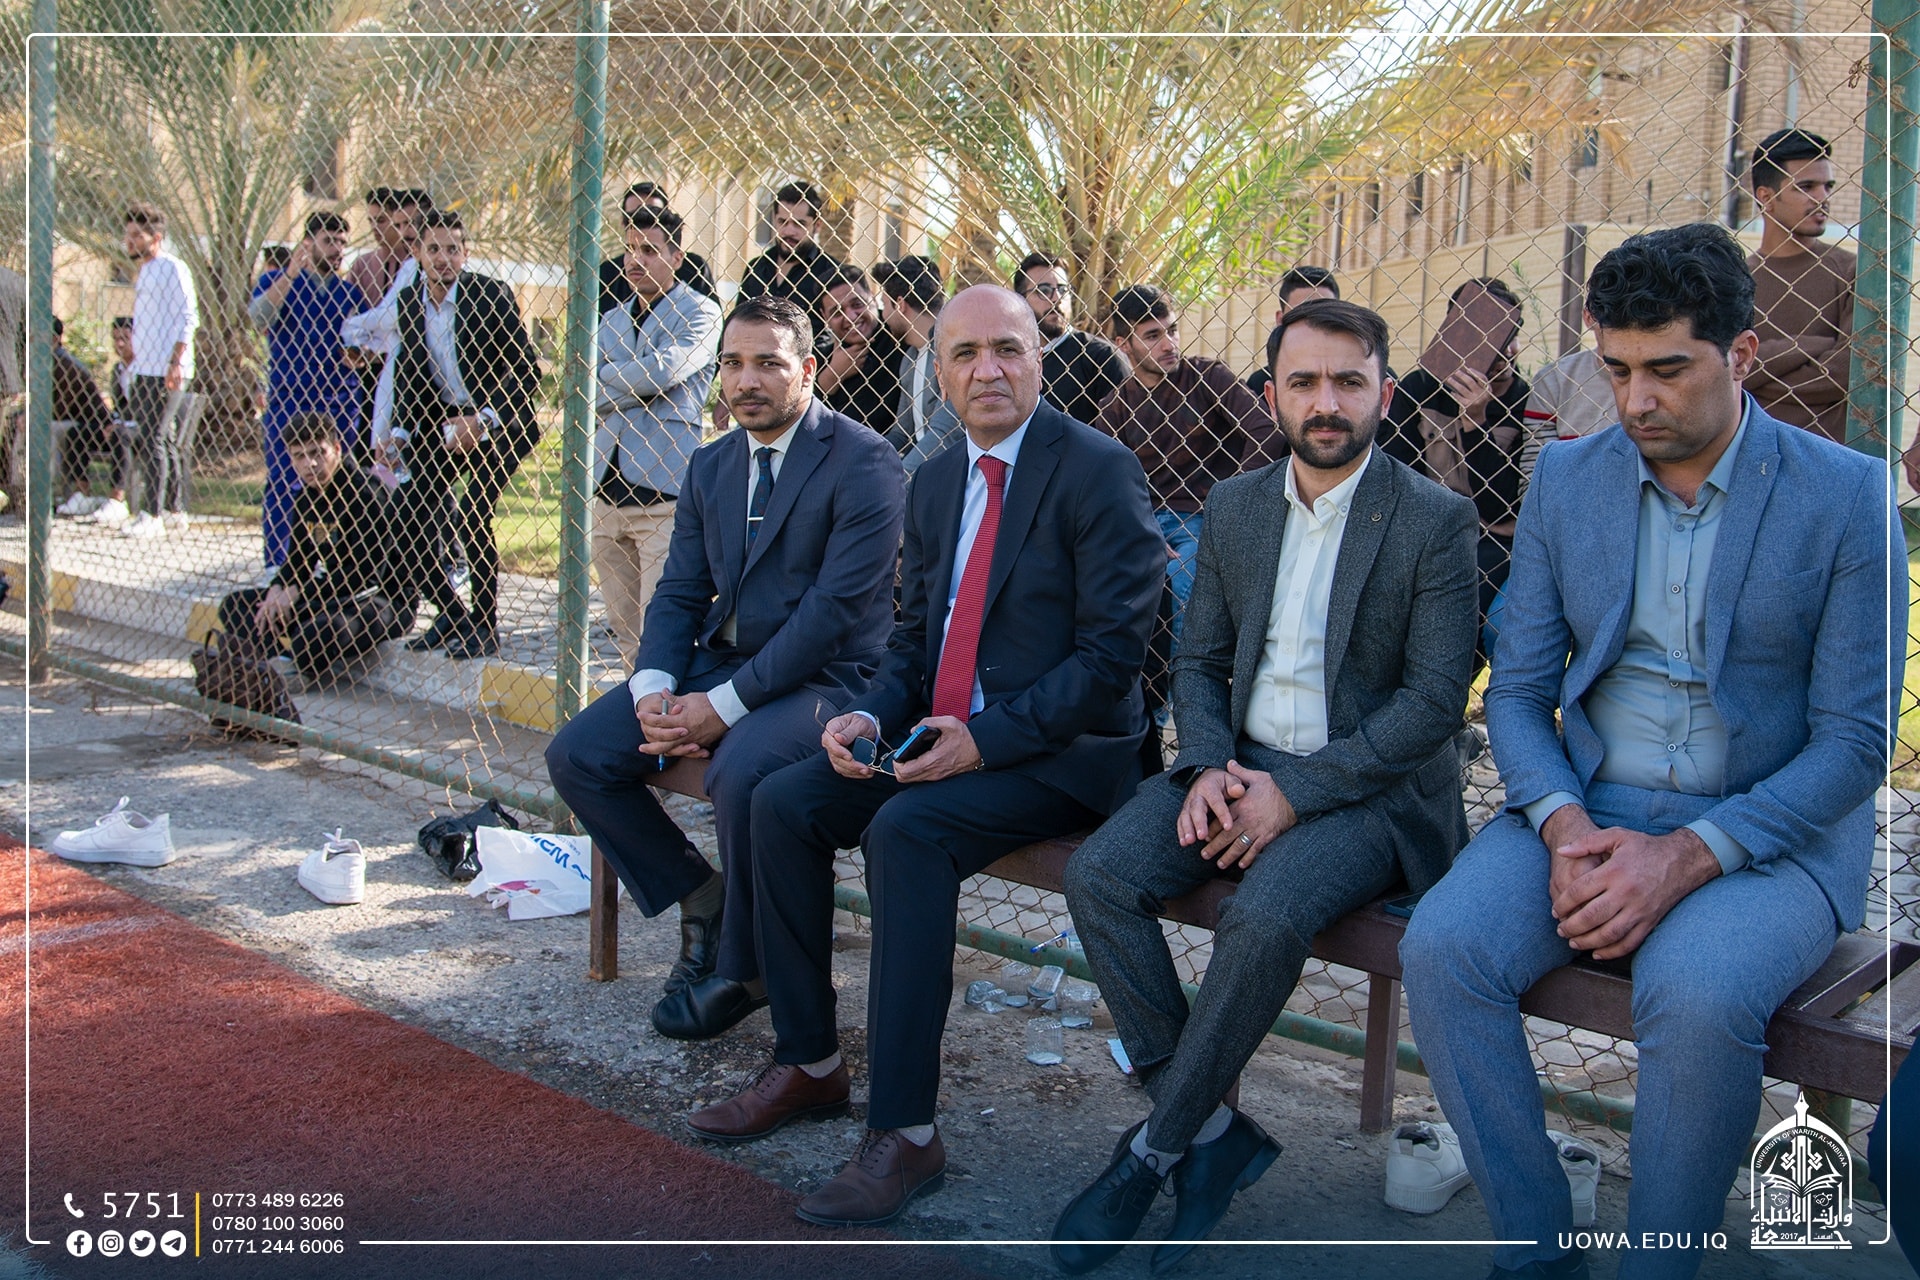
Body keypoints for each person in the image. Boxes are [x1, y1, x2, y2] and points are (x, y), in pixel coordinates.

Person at [1399, 223, 1902, 1280]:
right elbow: (1519, 692)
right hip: (1586, 807)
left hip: (1767, 837)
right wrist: (1563, 824)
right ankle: (1536, 1244)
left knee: (1699, 993)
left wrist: (1686, 856)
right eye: (1616, 368)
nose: (1635, 401)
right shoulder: (1567, 478)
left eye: (1667, 369)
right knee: (1444, 947)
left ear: (1743, 354)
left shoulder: (1847, 494)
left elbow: (1856, 742)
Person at [685, 285, 1164, 1230]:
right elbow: (912, 642)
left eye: (1008, 349)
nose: (988, 370)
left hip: (1064, 755)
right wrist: (866, 715)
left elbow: (1113, 663)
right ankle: (811, 1062)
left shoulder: (1098, 470)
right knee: (783, 803)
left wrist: (983, 740)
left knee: (905, 832)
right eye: (965, 355)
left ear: (1039, 358)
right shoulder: (939, 479)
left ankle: (905, 1133)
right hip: (943, 737)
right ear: (938, 373)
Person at [1049, 298, 1478, 1274]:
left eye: (1348, 381)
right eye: (1304, 382)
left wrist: (1296, 795)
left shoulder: (1433, 518)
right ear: (1273, 392)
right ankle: (1212, 1135)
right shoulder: (1237, 505)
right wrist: (1205, 765)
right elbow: (1199, 663)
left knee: (1265, 913)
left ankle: (1155, 1150)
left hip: (1370, 791)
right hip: (1238, 764)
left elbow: (1432, 704)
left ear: (1383, 391)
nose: (1326, 403)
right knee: (1102, 874)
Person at [547, 296, 905, 1043]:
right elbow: (680, 590)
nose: (747, 381)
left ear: (807, 370)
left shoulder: (865, 459)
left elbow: (833, 612)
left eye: (769, 363)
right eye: (733, 364)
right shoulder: (711, 463)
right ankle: (701, 896)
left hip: (831, 676)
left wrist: (723, 707)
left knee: (742, 770)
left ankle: (748, 968)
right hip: (722, 664)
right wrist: (653, 689)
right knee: (578, 754)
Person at [390, 210, 541, 660]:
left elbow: (526, 370)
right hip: (444, 423)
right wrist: (399, 430)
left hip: (499, 422)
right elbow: (409, 370)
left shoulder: (489, 295)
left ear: (466, 253)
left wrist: (485, 419)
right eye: (433, 249)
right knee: (410, 514)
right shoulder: (409, 300)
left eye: (452, 249)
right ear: (418, 253)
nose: (443, 258)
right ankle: (455, 615)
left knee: (472, 513)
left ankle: (486, 625)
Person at [1095, 284, 1280, 641]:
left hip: (1201, 513)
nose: (1169, 344)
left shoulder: (1206, 377)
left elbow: (1264, 429)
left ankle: (1186, 675)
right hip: (1146, 516)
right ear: (1123, 344)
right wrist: (1140, 526)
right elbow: (1106, 480)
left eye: (1173, 330)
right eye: (1153, 336)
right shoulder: (1115, 406)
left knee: (1187, 574)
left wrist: (1232, 497)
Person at [591, 207, 723, 666]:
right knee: (625, 632)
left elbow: (666, 371)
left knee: (661, 630)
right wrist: (636, 382)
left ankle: (669, 708)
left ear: (676, 256)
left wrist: (606, 377)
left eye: (649, 249)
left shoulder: (702, 312)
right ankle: (636, 710)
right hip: (605, 493)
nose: (636, 259)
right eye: (630, 249)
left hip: (663, 496)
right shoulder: (610, 318)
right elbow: (584, 385)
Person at [1382, 277, 1531, 670]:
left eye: (1512, 336)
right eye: (1493, 338)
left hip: (1492, 538)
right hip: (1428, 527)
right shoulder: (1419, 388)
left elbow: (1498, 507)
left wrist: (1476, 422)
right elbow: (1395, 472)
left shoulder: (1522, 399)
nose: (1506, 352)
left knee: (1465, 603)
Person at [214, 411, 410, 680]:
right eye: (300, 456)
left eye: (318, 452)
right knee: (235, 606)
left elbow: (367, 575)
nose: (311, 464)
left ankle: (293, 663)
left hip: (383, 600)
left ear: (337, 449)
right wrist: (277, 590)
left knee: (315, 634)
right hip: (332, 596)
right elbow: (298, 561)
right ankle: (277, 663)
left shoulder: (367, 492)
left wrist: (299, 594)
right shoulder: (307, 498)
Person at [250, 211, 368, 568]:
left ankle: (330, 564)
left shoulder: (349, 293)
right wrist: (290, 275)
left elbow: (367, 344)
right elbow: (258, 319)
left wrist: (360, 355)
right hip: (290, 398)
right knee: (285, 479)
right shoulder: (278, 281)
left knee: (336, 481)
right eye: (328, 241)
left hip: (338, 400)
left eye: (342, 243)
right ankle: (279, 564)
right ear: (308, 243)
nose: (337, 250)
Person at [1744, 128, 1855, 443]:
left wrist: (1753, 374)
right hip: (1752, 449)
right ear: (1766, 197)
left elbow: (1848, 373)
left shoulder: (1852, 271)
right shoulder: (1734, 279)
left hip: (1832, 454)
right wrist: (1807, 345)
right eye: (1806, 187)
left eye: (1827, 186)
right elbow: (1718, 370)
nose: (1822, 198)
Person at [119, 202, 198, 539]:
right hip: (145, 368)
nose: (131, 241)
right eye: (128, 235)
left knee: (153, 438)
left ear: (156, 237)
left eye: (138, 235)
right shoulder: (145, 271)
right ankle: (174, 510)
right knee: (162, 439)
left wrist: (176, 361)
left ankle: (151, 514)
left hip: (167, 369)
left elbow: (188, 316)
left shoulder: (173, 268)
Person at [1014, 251, 1130, 427]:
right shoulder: (1012, 360)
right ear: (1020, 300)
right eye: (1043, 290)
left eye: (1063, 289)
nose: (1057, 298)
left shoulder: (1101, 357)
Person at [874, 255, 959, 471]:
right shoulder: (909, 359)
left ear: (900, 304)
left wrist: (900, 481)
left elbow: (944, 435)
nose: (883, 315)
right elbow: (902, 433)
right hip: (920, 470)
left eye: (884, 304)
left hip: (949, 470)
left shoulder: (953, 353)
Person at [739, 181, 842, 352]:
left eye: (799, 224)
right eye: (783, 222)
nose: (789, 231)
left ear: (817, 225)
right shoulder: (756, 268)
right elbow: (739, 322)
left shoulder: (831, 272)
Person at [597, 181, 716, 314]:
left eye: (653, 212)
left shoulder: (694, 269)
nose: (636, 261)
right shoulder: (608, 273)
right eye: (633, 216)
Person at [814, 264, 904, 436]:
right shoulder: (822, 358)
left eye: (857, 304)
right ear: (824, 317)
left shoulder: (900, 335)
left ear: (872, 296)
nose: (850, 317)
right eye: (837, 312)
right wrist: (831, 376)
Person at [51, 318, 121, 516]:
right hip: (76, 424)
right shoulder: (43, 361)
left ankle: (49, 491)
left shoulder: (64, 364)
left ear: (54, 339)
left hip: (92, 423)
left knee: (50, 429)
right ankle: (80, 496)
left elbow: (60, 409)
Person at [1245, 265, 1340, 399]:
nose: (1315, 324)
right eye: (1300, 314)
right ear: (1280, 319)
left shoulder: (1360, 376)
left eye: (1325, 313)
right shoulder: (1259, 382)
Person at [346, 187, 427, 309]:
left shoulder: (417, 263)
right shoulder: (362, 265)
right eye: (371, 221)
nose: (374, 227)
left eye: (381, 220)